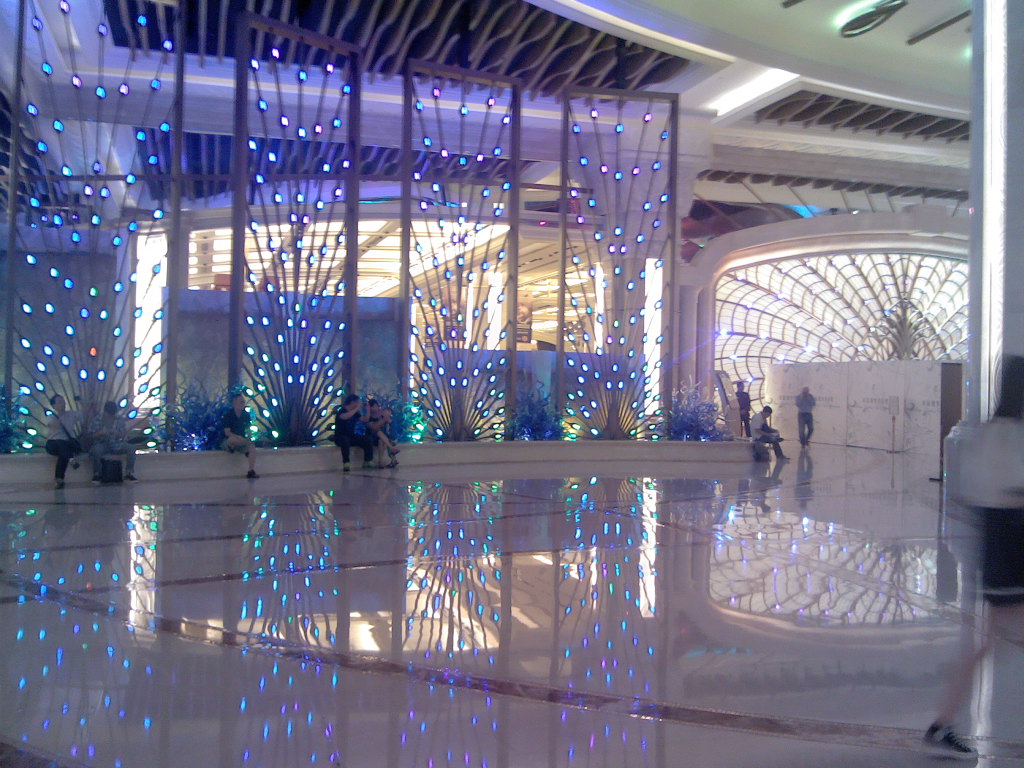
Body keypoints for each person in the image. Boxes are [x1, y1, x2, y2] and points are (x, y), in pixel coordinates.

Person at [922, 355, 1024, 760]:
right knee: (986, 643)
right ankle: (941, 724)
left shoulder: (990, 431)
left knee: (985, 643)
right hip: (1011, 544)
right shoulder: (1011, 434)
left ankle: (942, 724)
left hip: (1000, 543)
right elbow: (1011, 491)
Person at [86, 400, 138, 483]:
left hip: (117, 443)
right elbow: (90, 436)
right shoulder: (97, 419)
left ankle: (129, 473)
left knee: (131, 448)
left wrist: (117, 433)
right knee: (96, 450)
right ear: (105, 412)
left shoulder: (119, 419)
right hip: (102, 443)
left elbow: (123, 435)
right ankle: (97, 474)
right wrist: (100, 433)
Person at [44, 394, 81, 489]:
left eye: (63, 401)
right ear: (54, 405)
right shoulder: (51, 416)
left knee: (63, 451)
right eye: (59, 402)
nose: (63, 404)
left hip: (67, 443)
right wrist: (59, 420)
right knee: (61, 444)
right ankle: (71, 459)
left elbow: (84, 414)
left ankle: (59, 479)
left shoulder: (71, 414)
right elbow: (53, 425)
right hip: (53, 443)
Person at [333, 394, 376, 471]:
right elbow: (344, 417)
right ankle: (346, 462)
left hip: (351, 436)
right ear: (352, 402)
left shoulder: (355, 413)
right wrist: (356, 409)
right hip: (340, 436)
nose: (358, 404)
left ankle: (368, 460)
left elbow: (365, 419)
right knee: (345, 440)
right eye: (357, 402)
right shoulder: (342, 410)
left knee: (367, 439)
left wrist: (368, 410)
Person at [221, 393, 258, 479]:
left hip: (242, 440)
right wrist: (239, 437)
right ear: (234, 403)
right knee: (233, 440)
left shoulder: (246, 415)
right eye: (241, 402)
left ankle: (251, 471)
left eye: (243, 402)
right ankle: (233, 447)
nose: (242, 404)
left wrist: (249, 439)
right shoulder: (228, 415)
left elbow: (248, 430)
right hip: (230, 439)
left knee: (252, 447)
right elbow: (227, 433)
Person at [366, 398, 399, 467]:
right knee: (379, 433)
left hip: (381, 437)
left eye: (376, 406)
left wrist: (387, 417)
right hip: (372, 437)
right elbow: (374, 427)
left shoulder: (381, 415)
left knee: (381, 440)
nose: (375, 408)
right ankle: (392, 450)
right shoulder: (368, 417)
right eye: (373, 406)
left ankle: (381, 461)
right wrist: (384, 420)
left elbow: (390, 423)